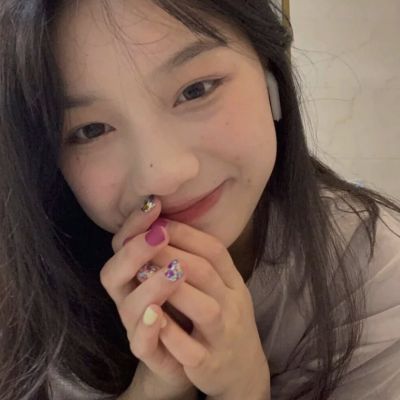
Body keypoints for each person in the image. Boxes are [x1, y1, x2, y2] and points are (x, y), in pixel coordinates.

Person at [0, 1, 399, 399]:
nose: (163, 173)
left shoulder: (373, 273)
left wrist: (243, 390)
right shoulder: (31, 291)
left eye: (195, 90)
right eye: (91, 130)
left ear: (270, 77)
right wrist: (155, 388)